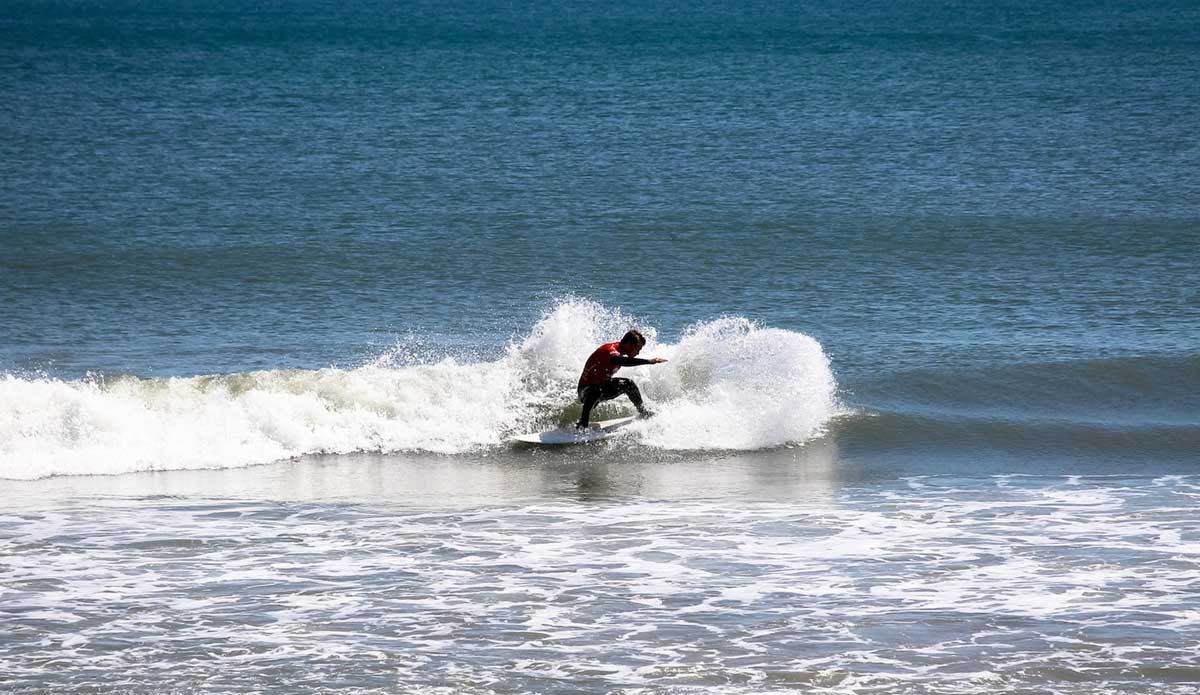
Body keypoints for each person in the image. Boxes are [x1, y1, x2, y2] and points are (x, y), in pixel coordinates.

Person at [575, 329, 667, 429]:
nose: (638, 353)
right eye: (638, 349)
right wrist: (649, 361)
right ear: (628, 344)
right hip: (585, 391)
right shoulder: (610, 350)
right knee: (596, 389)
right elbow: (622, 361)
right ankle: (583, 423)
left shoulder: (618, 351)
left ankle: (643, 412)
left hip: (600, 387)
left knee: (628, 384)